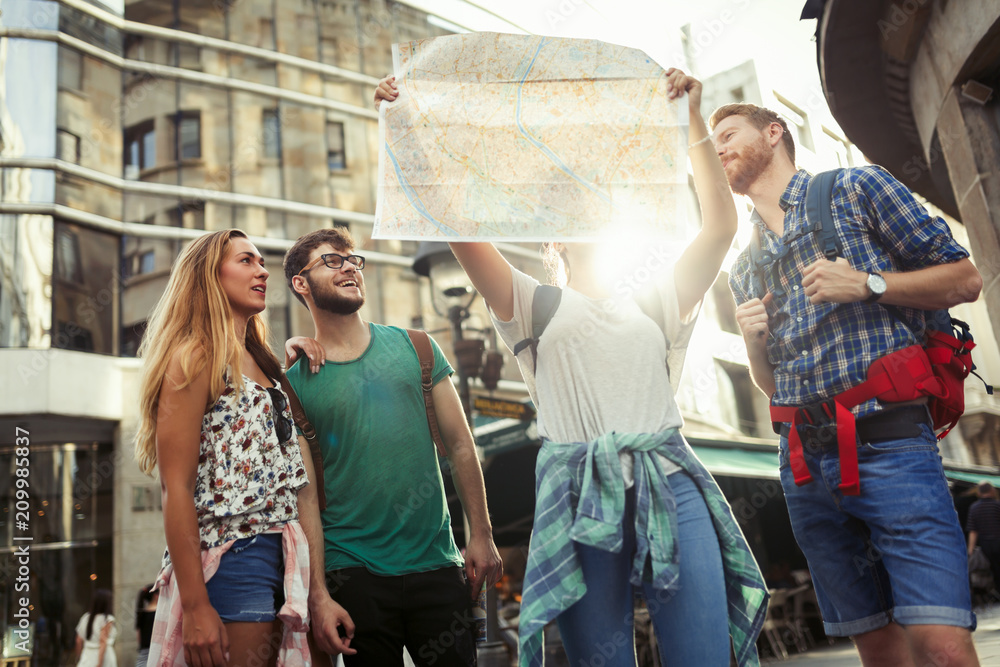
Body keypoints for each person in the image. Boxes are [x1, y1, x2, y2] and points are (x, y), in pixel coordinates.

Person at [374, 70, 767, 667]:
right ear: (556, 237)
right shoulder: (533, 305)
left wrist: (690, 119)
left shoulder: (657, 298)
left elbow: (720, 227)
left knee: (703, 658)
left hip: (669, 481)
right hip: (577, 493)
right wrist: (408, 129)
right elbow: (457, 225)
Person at [713, 101, 983, 666]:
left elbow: (965, 278)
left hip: (891, 443)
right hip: (805, 468)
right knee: (880, 652)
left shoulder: (858, 188)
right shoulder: (742, 268)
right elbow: (769, 386)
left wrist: (868, 284)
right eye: (712, 142)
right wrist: (753, 343)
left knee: (942, 649)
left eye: (729, 133)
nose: (718, 147)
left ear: (774, 131)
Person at [281, 227, 503, 667]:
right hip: (354, 573)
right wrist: (319, 594)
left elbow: (461, 445)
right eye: (331, 260)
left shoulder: (416, 347)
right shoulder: (293, 385)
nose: (348, 266)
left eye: (352, 259)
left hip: (437, 564)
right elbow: (304, 493)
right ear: (300, 284)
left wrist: (481, 533)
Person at [133, 229, 355, 667]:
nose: (262, 270)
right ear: (209, 276)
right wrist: (196, 606)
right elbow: (174, 488)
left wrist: (298, 354)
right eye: (246, 261)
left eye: (261, 261)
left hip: (289, 554)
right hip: (235, 555)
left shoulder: (266, 363)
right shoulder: (193, 357)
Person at [968, 482, 1000, 594]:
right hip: (998, 541)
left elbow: (973, 530)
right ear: (992, 491)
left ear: (979, 493)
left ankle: (996, 591)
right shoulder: (997, 505)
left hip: (985, 545)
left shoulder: (974, 507)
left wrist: (971, 550)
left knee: (991, 569)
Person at [75, 589, 117, 667]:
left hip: (87, 656)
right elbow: (103, 641)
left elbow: (78, 640)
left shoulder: (85, 617)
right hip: (104, 657)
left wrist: (79, 657)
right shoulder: (107, 619)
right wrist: (99, 663)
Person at [134, 584, 157, 667]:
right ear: (155, 596)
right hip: (157, 650)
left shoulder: (141, 613)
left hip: (143, 652)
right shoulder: (160, 612)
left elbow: (139, 635)